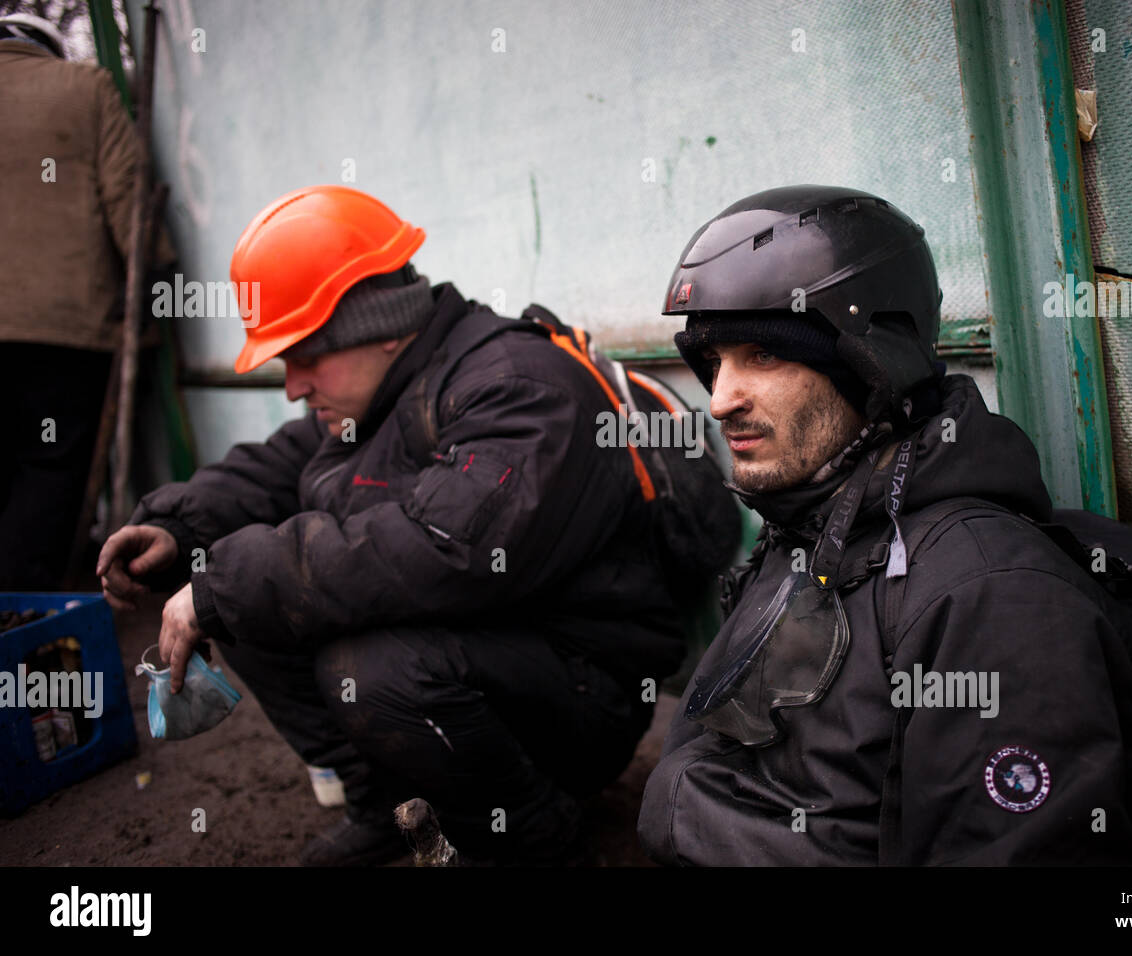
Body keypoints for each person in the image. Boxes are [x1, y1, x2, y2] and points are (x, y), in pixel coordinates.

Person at [97, 185, 691, 865]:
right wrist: (179, 527)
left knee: (365, 659)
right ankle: (383, 806)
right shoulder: (389, 385)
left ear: (379, 322)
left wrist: (228, 583)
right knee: (245, 594)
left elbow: (445, 548)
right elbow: (284, 469)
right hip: (495, 656)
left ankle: (530, 834)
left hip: (584, 695)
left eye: (304, 354)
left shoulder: (519, 387)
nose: (291, 385)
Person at [637, 184, 1132, 865]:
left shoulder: (988, 595)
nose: (721, 399)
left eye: (764, 355)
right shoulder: (808, 533)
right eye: (713, 362)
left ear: (872, 364)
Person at [0, 12, 173, 589]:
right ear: (47, 50)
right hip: (62, 333)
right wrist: (154, 281)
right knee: (48, 470)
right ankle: (24, 621)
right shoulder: (85, 88)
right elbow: (130, 204)